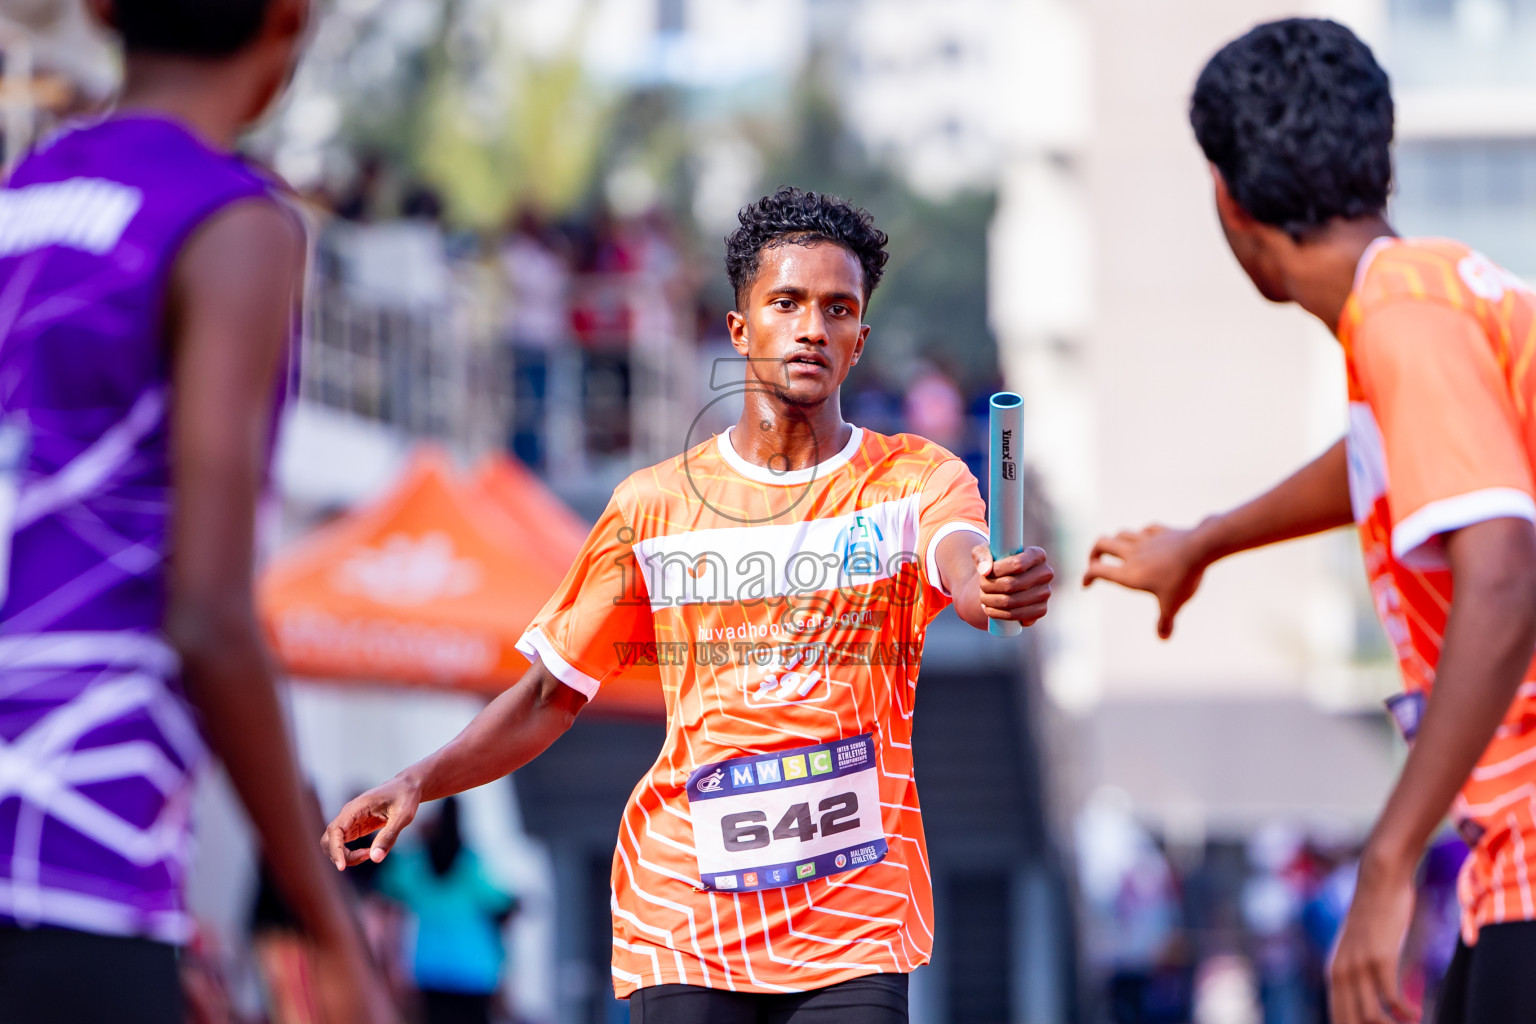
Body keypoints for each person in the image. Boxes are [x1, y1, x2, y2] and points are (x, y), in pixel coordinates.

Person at [325, 186, 1055, 1023]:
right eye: (786, 303)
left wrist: (986, 582)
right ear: (741, 329)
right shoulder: (652, 507)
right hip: (686, 920)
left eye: (838, 308)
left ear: (859, 340)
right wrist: (422, 779)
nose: (812, 327)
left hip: (854, 926)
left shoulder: (913, 478)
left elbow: (959, 557)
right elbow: (548, 693)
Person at [1082, 18, 1536, 1024]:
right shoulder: (1429, 296)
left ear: (1228, 200)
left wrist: (1387, 861)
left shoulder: (1407, 323)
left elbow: (1506, 569)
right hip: (1507, 861)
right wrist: (1206, 540)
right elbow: (1376, 463)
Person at [0, 2, 392, 1021]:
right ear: (289, 18)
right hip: (71, 865)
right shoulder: (230, 226)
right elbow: (207, 615)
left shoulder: (18, 197)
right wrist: (331, 929)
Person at [377, 797, 516, 1024]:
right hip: (475, 970)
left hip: (431, 968)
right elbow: (501, 901)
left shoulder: (415, 864)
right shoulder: (470, 865)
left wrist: (415, 839)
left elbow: (388, 883)